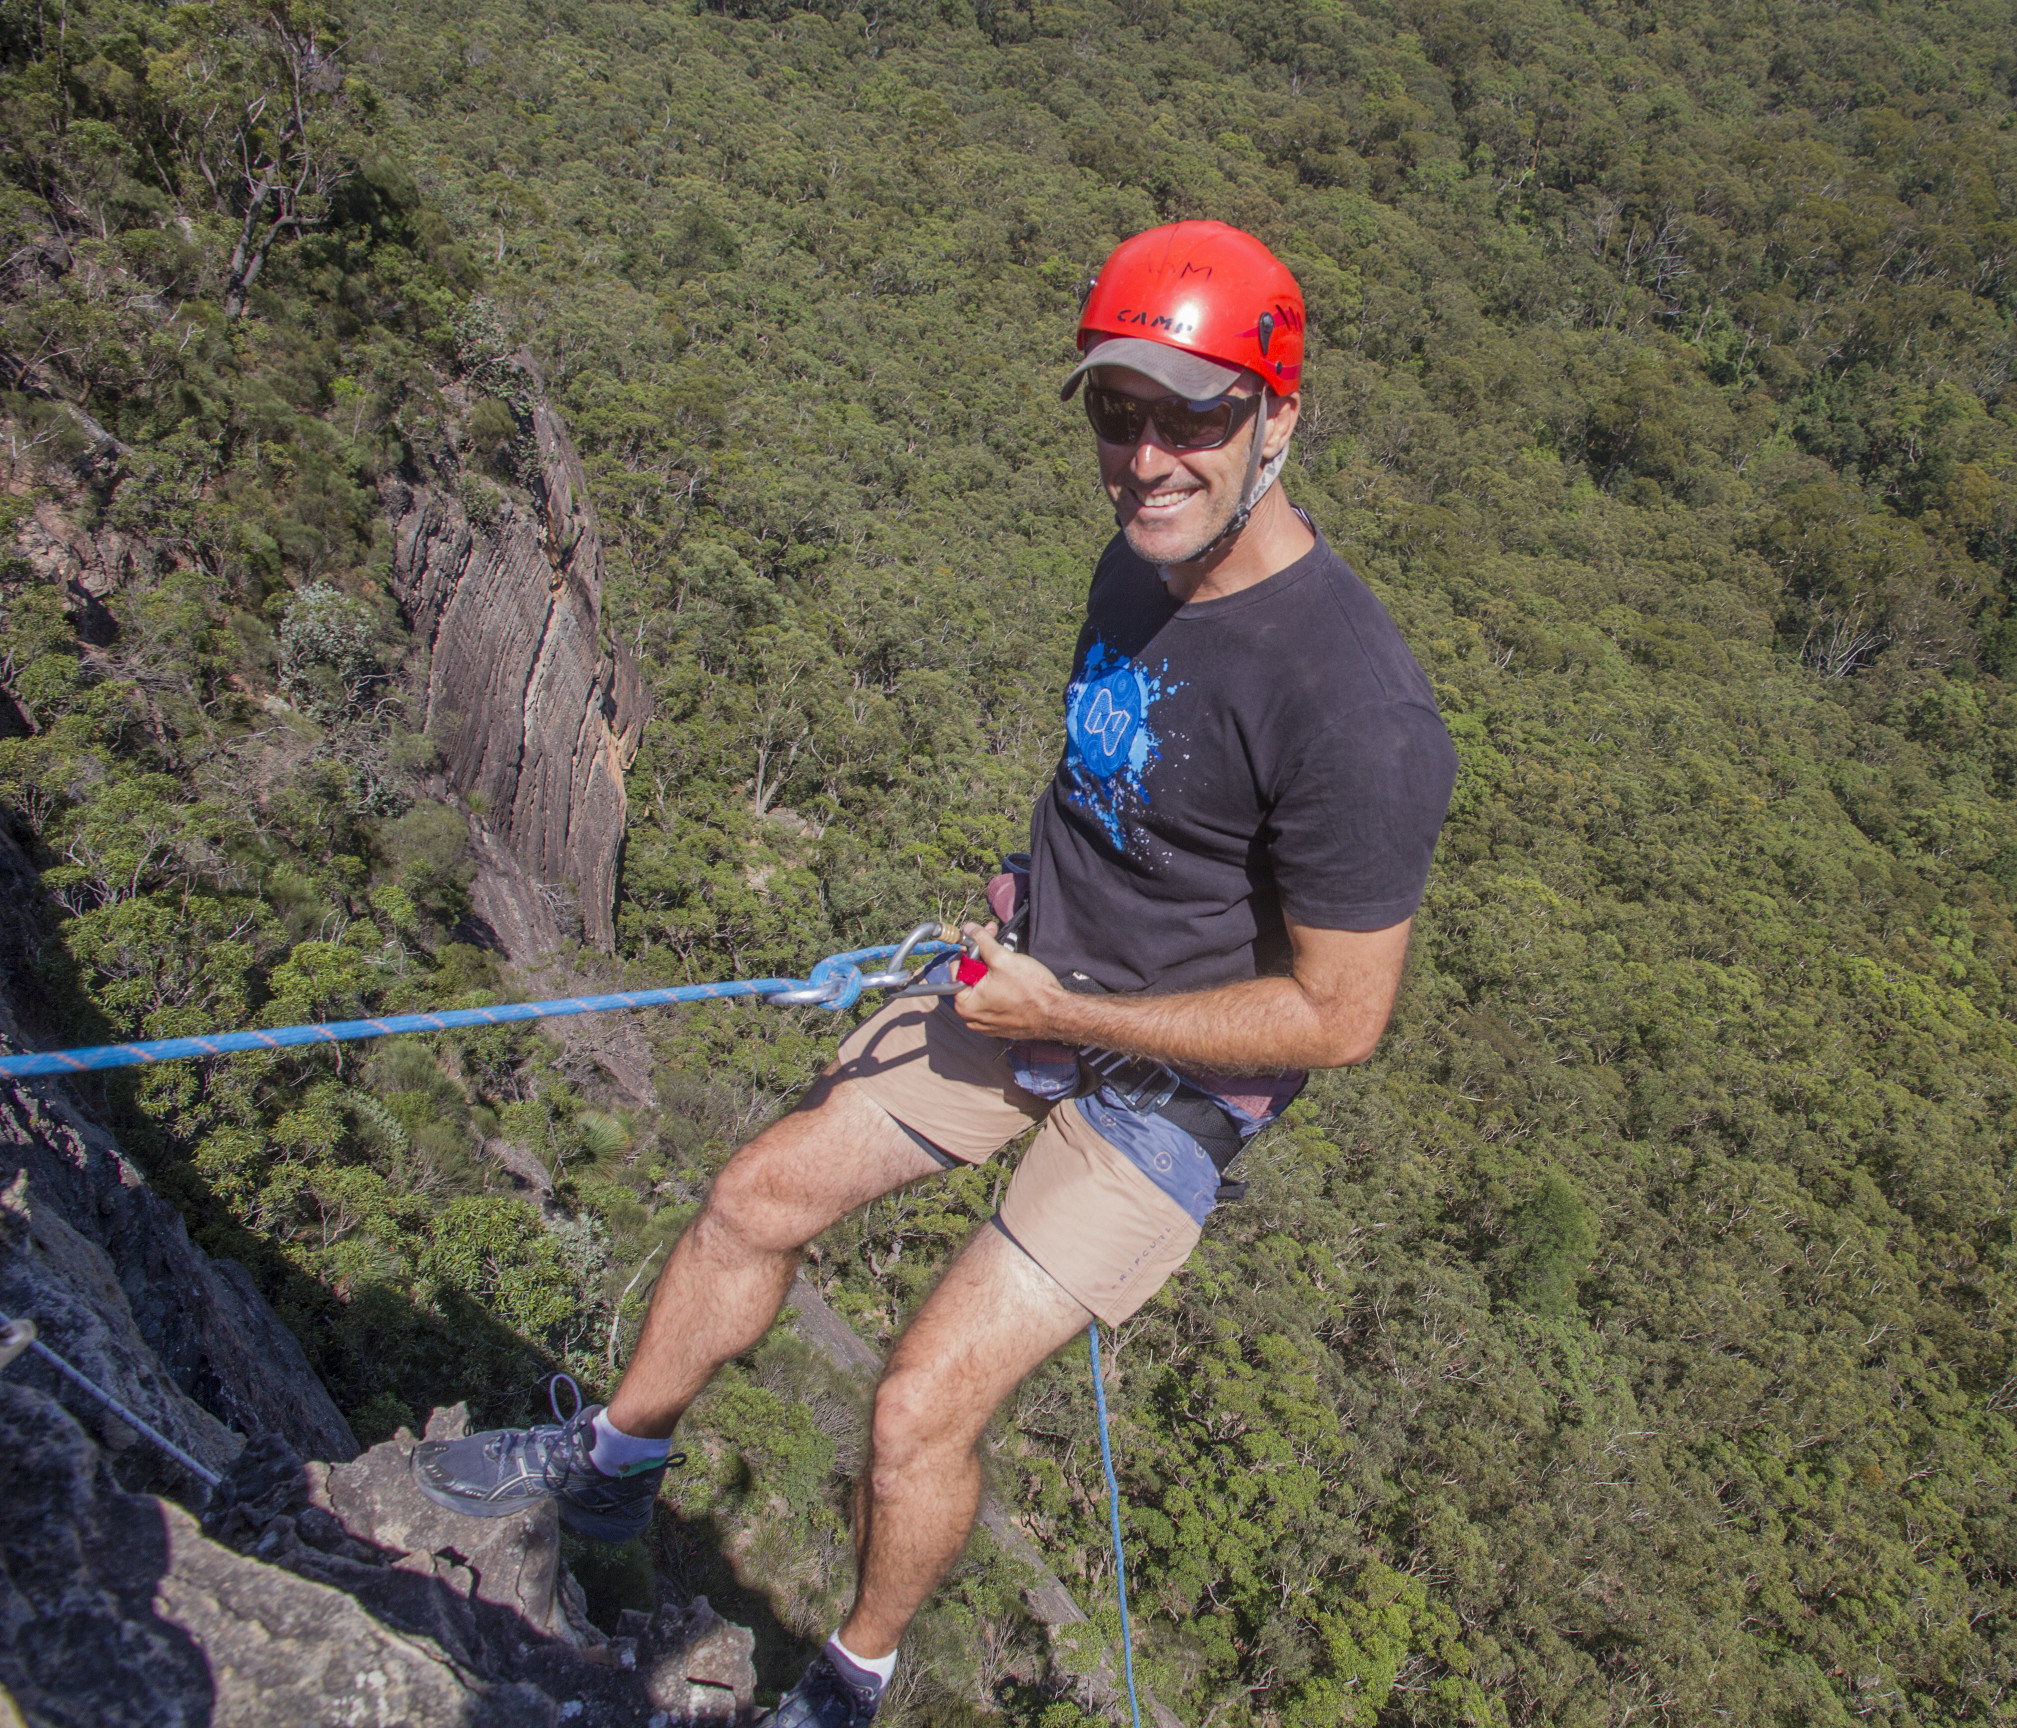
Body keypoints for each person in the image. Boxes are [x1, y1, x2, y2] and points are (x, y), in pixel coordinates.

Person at [410, 221, 1458, 1726]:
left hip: (1175, 1088)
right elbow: (1127, 782)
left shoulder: (1359, 709)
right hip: (1027, 985)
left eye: (1198, 417)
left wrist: (1065, 1009)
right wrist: (1043, 896)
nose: (1149, 456)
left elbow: (1341, 1017)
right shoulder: (1138, 561)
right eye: (1119, 412)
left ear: (1279, 420)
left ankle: (854, 1677)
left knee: (916, 1405)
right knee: (754, 1195)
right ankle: (613, 1467)